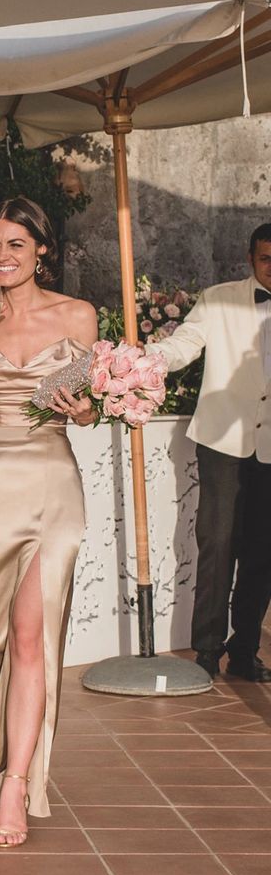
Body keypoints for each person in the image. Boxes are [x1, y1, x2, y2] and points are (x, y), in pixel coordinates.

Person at [0, 197, 97, 849]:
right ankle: (9, 738)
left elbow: (87, 409)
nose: (1, 257)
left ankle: (16, 781)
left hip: (53, 480)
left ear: (43, 250)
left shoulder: (79, 316)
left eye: (15, 245)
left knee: (34, 637)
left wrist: (83, 409)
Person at [150, 222, 271, 682]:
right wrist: (149, 359)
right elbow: (186, 343)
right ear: (250, 259)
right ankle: (206, 651)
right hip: (223, 441)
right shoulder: (219, 298)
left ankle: (245, 652)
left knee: (262, 553)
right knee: (217, 545)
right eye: (266, 259)